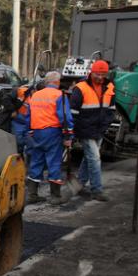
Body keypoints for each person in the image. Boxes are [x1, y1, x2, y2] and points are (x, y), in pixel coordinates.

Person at [23, 72, 74, 206]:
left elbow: (28, 116)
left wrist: (30, 131)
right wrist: (68, 135)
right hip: (52, 132)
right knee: (54, 162)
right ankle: (55, 196)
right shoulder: (59, 96)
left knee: (36, 161)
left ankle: (32, 194)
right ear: (57, 82)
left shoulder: (35, 95)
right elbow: (65, 117)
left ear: (46, 82)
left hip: (37, 132)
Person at [69, 59, 115, 201]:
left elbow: (111, 110)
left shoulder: (110, 87)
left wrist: (105, 125)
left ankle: (79, 184)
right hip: (85, 130)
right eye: (97, 74)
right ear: (91, 72)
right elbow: (73, 112)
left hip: (99, 129)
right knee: (95, 159)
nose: (100, 78)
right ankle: (97, 190)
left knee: (89, 158)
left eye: (103, 74)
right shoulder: (81, 88)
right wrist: (71, 132)